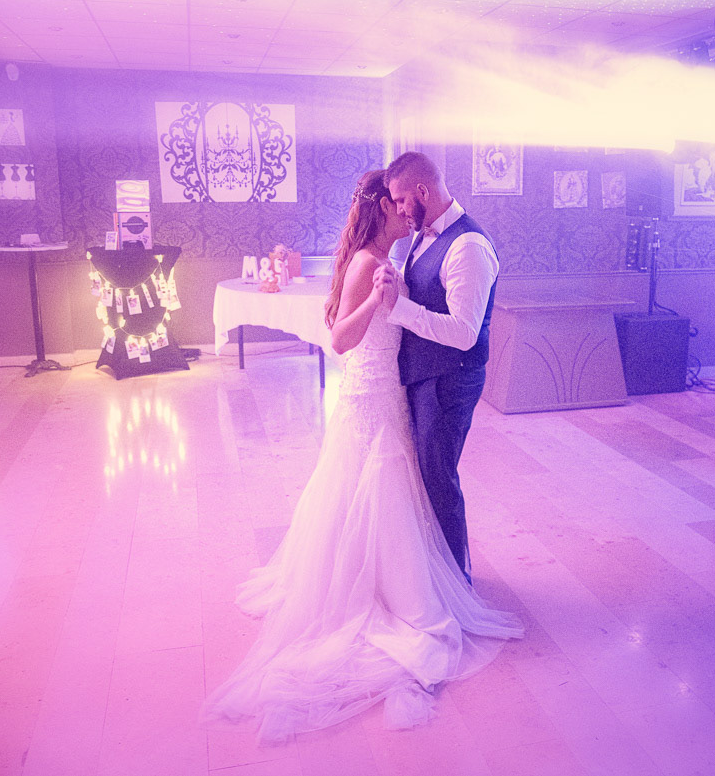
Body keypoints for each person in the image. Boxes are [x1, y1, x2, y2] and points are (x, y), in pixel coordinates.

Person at [201, 170, 522, 744]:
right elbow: (341, 339)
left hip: (390, 394)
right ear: (381, 210)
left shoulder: (402, 252)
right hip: (371, 397)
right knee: (373, 491)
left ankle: (398, 580)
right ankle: (385, 591)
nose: (406, 212)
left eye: (405, 201)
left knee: (392, 495)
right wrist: (377, 300)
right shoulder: (369, 264)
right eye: (396, 205)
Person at [373, 152, 499, 585]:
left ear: (423, 191)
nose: (399, 209)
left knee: (439, 479)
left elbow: (464, 333)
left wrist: (398, 307)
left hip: (450, 379)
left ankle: (457, 581)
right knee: (425, 477)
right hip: (425, 374)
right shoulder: (423, 236)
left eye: (401, 200)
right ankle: (435, 575)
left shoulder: (468, 246)